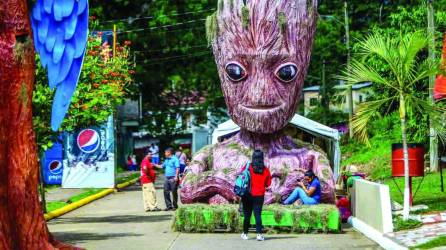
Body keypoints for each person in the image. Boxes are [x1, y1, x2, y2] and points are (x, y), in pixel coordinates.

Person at [240, 150, 271, 241]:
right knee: (257, 215)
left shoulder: (247, 167)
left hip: (247, 195)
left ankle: (245, 234)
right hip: (259, 195)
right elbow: (268, 183)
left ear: (253, 157)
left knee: (247, 216)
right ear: (262, 158)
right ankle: (259, 235)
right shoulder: (265, 169)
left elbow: (242, 177)